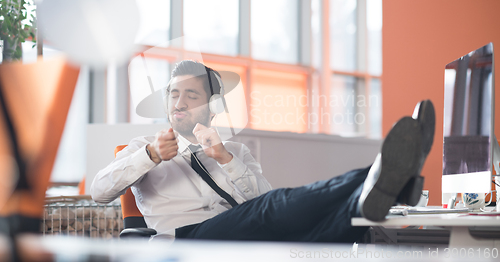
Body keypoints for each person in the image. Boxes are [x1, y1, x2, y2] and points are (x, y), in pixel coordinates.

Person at [91, 60, 435, 243]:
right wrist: (150, 154)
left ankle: (384, 187)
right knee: (270, 210)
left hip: (242, 234)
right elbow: (99, 191)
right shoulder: (142, 149)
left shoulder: (234, 150)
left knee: (329, 235)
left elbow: (266, 200)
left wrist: (225, 159)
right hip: (185, 241)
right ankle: (386, 173)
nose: (179, 103)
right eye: (173, 95)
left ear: (212, 109)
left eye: (191, 97)